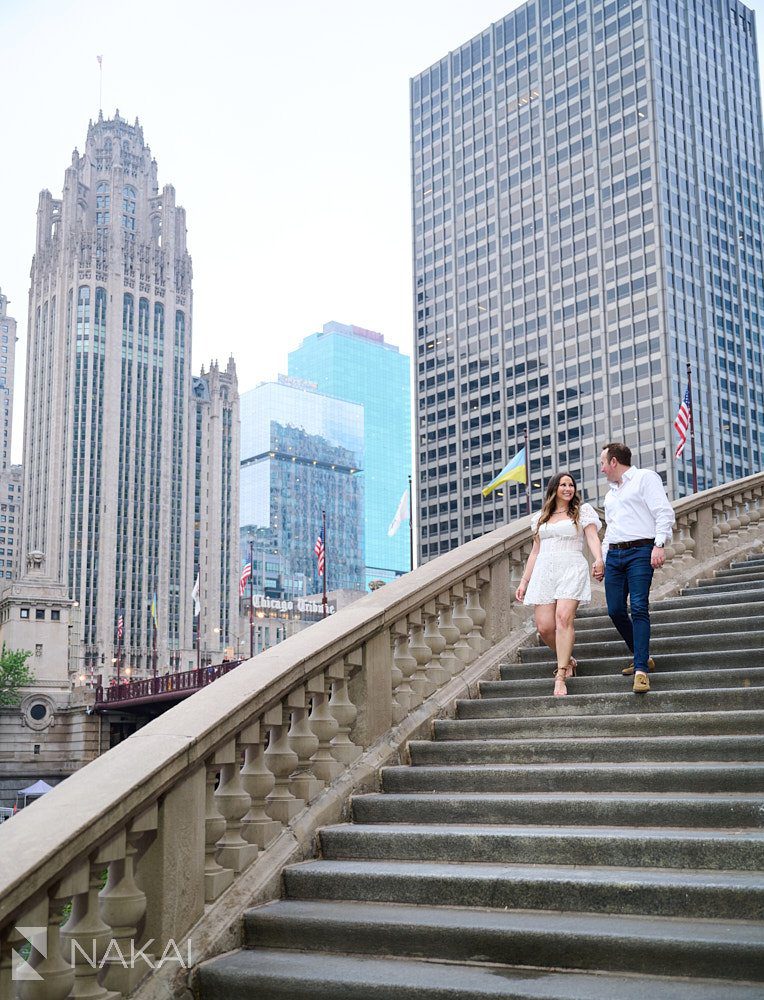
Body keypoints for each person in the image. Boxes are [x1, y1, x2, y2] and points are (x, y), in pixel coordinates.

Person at [595, 442, 675, 694]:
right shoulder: (610, 495)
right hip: (615, 555)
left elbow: (663, 512)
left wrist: (659, 544)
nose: (601, 468)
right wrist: (603, 560)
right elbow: (610, 531)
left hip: (641, 551)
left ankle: (641, 669)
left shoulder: (644, 478)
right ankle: (643, 654)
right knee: (615, 610)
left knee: (639, 606)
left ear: (614, 462)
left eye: (602, 463)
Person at [515, 472, 604, 697]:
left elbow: (593, 538)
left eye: (571, 485)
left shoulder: (582, 512)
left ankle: (560, 675)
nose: (568, 488)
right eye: (563, 484)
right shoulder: (539, 518)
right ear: (554, 488)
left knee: (563, 618)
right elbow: (535, 552)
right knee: (544, 627)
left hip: (571, 566)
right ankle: (569, 660)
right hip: (544, 571)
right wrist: (524, 581)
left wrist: (599, 559)